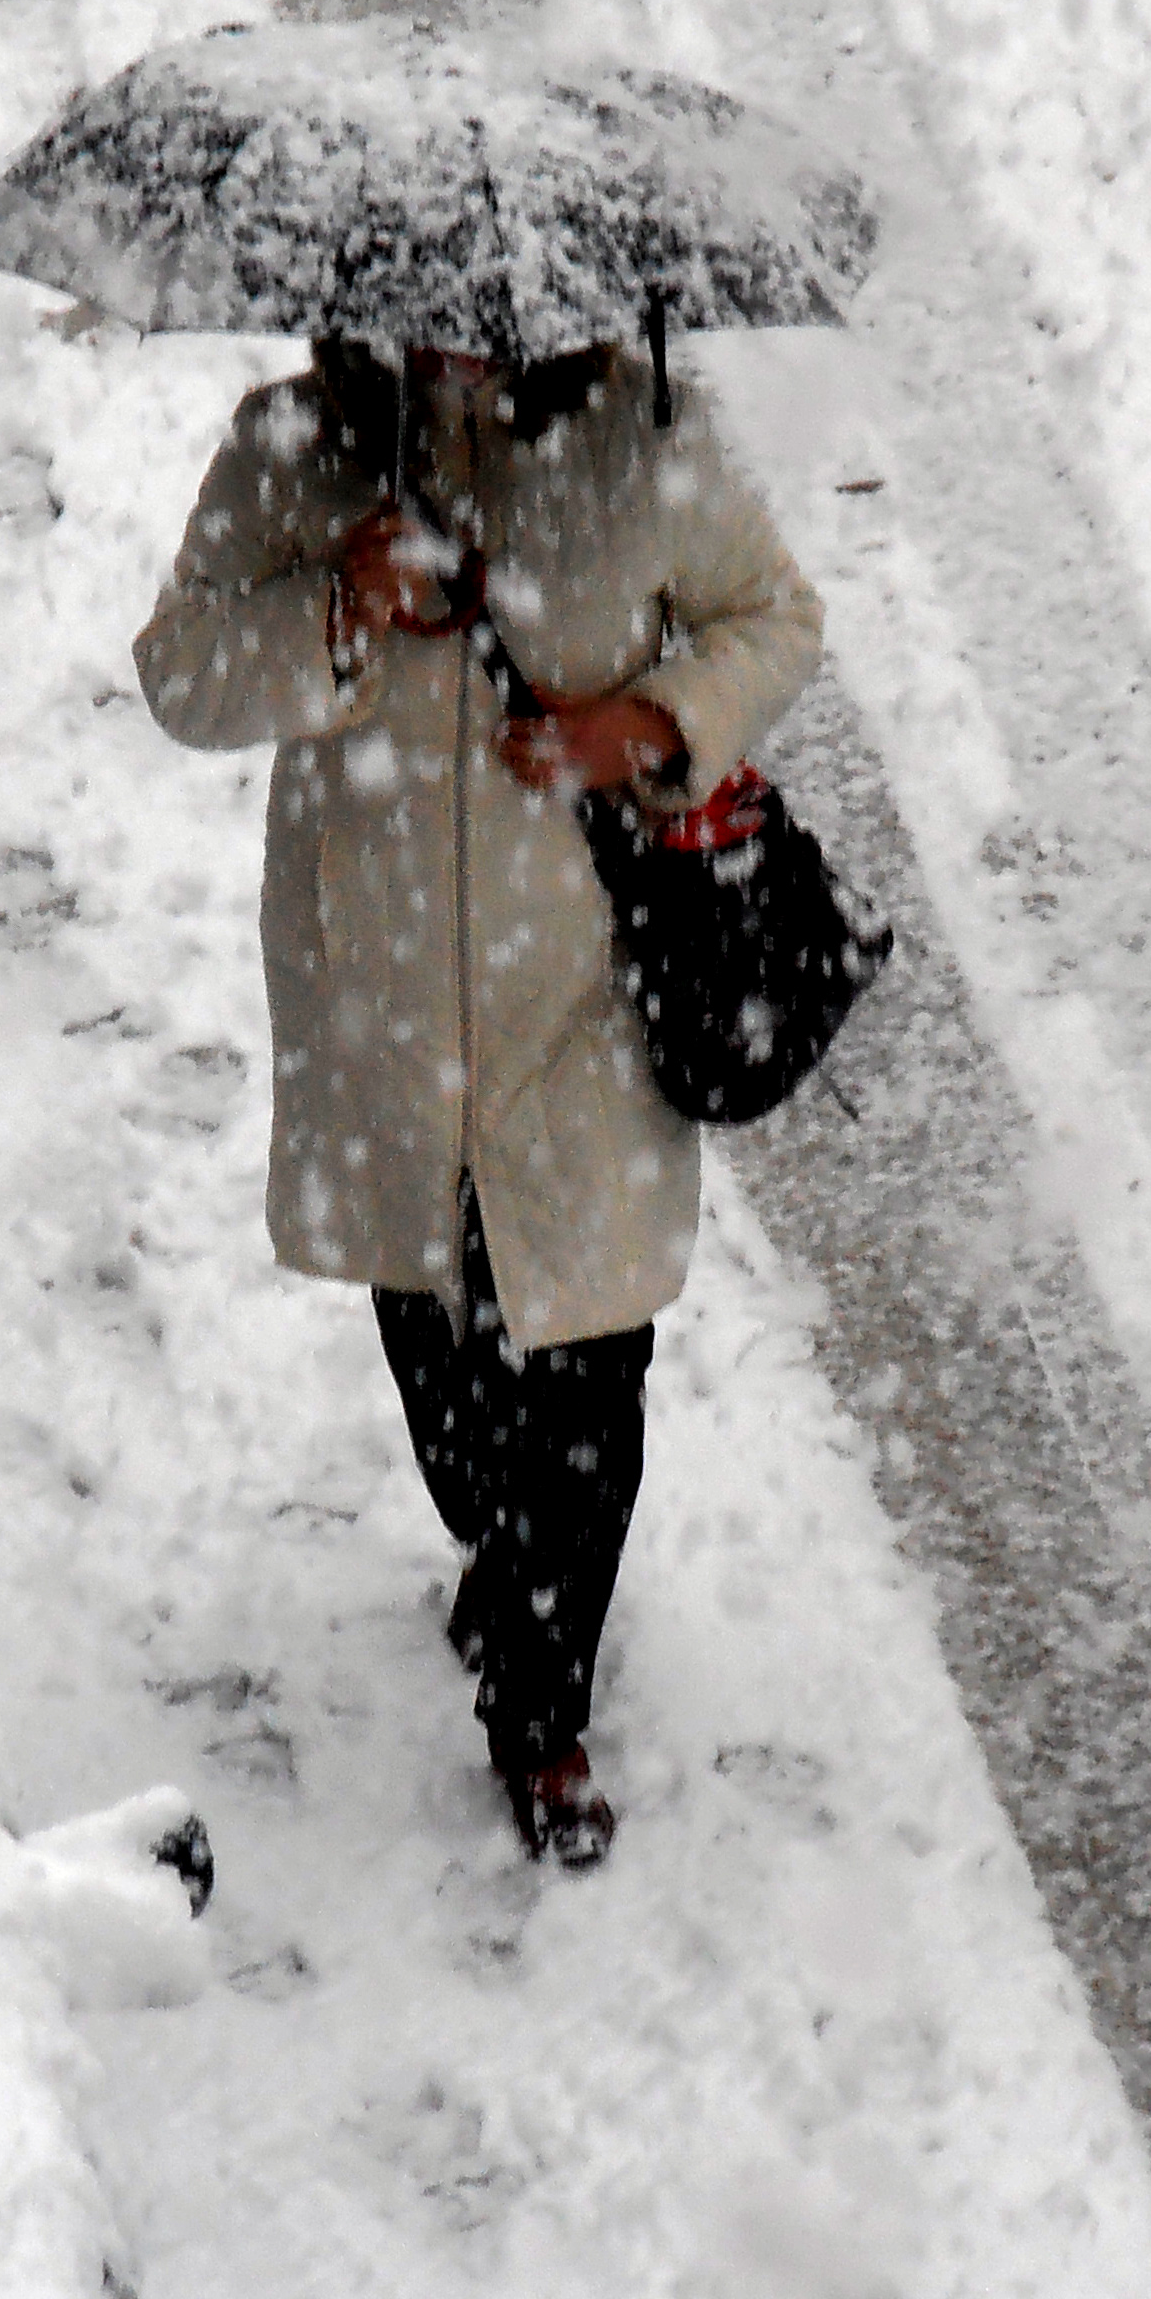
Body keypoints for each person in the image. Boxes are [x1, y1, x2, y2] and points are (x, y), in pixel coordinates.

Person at [134, 331, 824, 1863]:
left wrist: (634, 728)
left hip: (575, 1006)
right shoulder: (292, 447)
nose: (453, 329)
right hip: (378, 1017)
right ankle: (499, 1557)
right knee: (455, 1410)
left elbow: (771, 620)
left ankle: (542, 1715)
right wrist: (334, 603)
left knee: (585, 1372)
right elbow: (177, 670)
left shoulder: (640, 440)